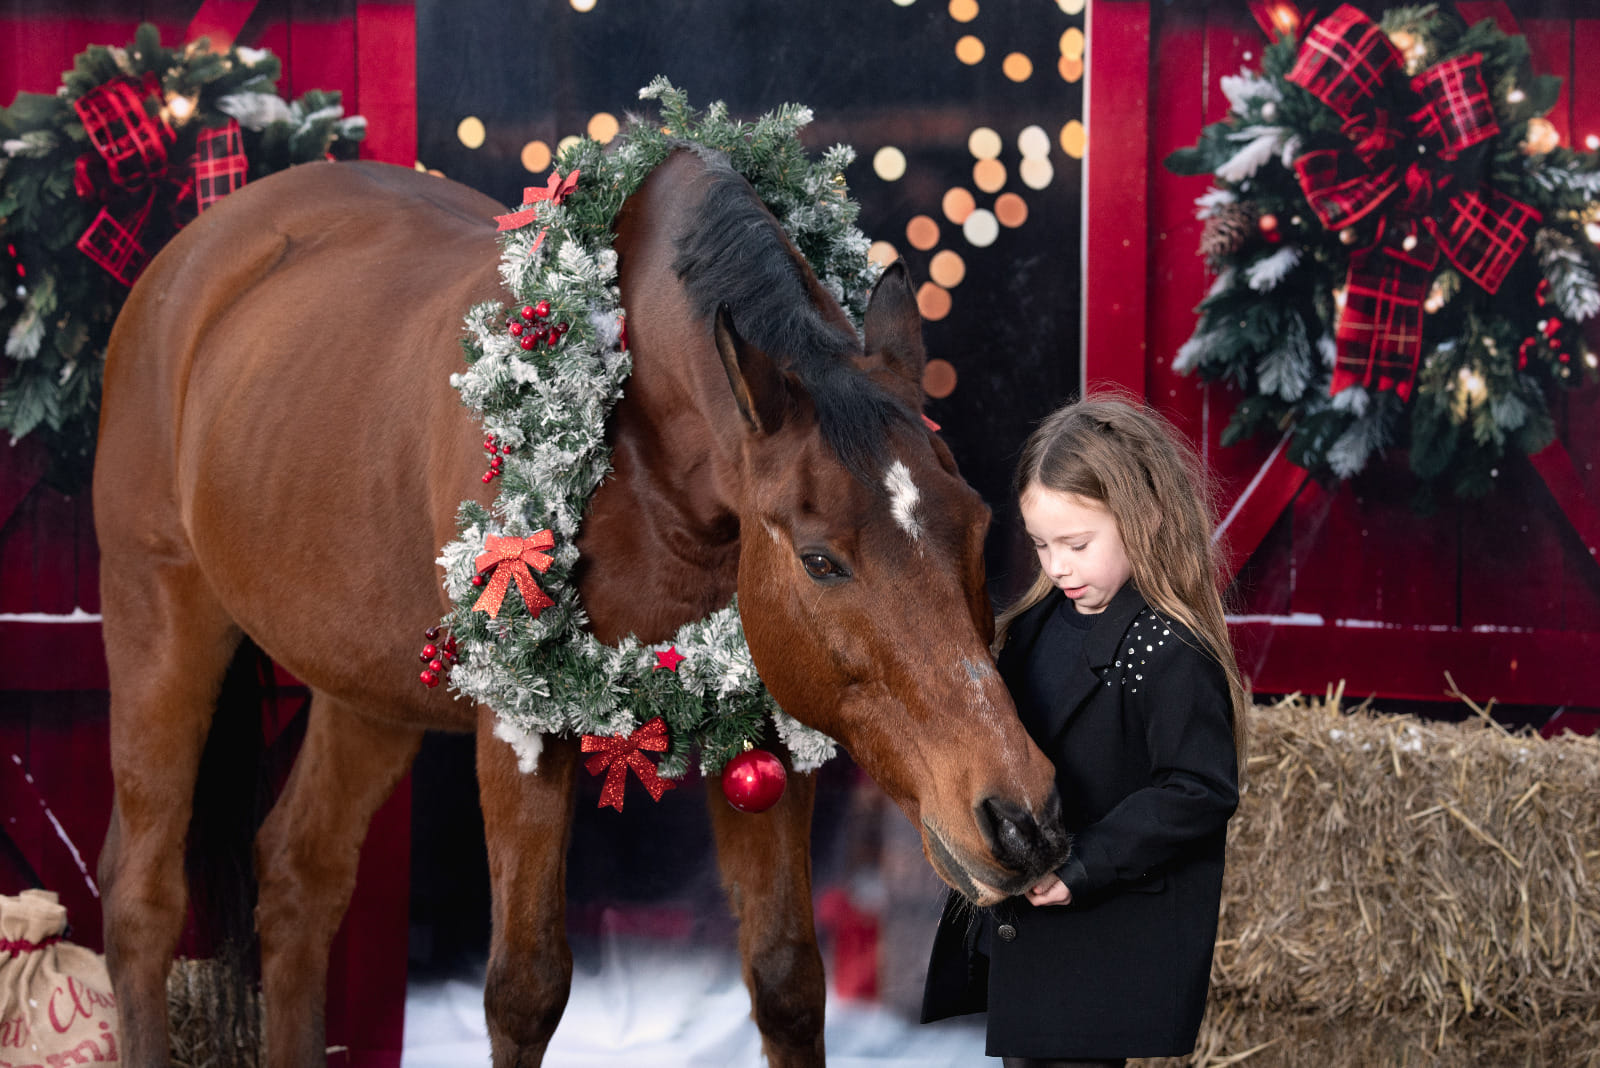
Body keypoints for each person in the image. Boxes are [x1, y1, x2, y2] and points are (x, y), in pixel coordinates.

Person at [921, 395, 1247, 1068]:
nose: (1058, 567)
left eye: (1076, 545)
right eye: (1042, 546)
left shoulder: (1164, 649)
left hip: (1098, 946)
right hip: (1027, 940)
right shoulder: (1030, 628)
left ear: (1144, 520)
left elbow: (1199, 789)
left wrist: (1085, 864)